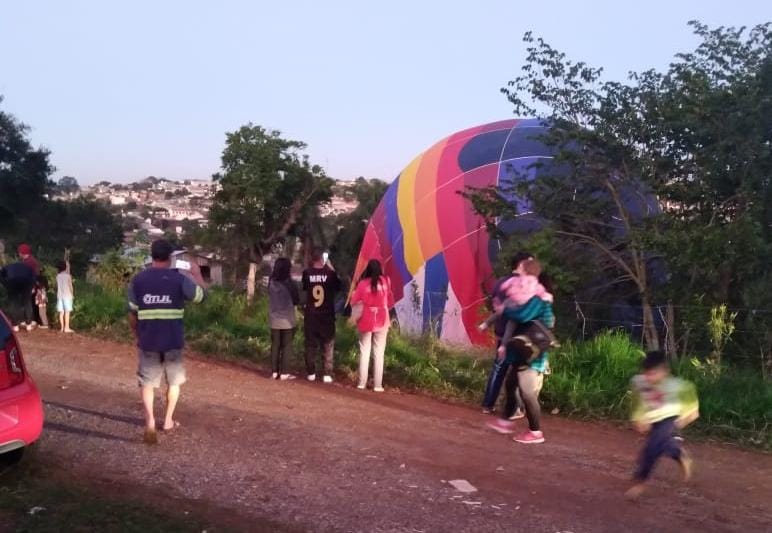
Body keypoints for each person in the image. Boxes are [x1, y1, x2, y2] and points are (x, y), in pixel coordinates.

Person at [127, 239, 207, 444]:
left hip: (148, 340)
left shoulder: (138, 280)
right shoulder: (178, 279)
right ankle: (168, 420)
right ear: (171, 257)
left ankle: (150, 423)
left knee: (147, 383)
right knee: (173, 382)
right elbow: (201, 297)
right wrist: (196, 273)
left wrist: (138, 335)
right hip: (173, 340)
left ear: (152, 256)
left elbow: (132, 315)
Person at [625, 350, 699, 500]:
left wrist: (681, 422)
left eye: (654, 373)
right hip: (654, 419)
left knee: (652, 448)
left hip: (671, 417)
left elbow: (694, 411)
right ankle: (679, 454)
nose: (649, 377)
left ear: (665, 371)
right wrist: (638, 418)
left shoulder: (680, 386)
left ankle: (640, 482)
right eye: (647, 373)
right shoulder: (639, 382)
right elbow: (638, 402)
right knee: (662, 444)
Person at [486, 287, 555, 444]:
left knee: (528, 394)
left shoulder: (538, 301)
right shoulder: (530, 300)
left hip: (533, 357)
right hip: (522, 353)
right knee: (511, 385)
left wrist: (505, 309)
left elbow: (522, 315)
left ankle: (535, 432)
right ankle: (506, 421)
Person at [479, 252, 534, 415]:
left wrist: (488, 323)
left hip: (502, 332)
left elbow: (496, 307)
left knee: (499, 369)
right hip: (518, 335)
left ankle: (488, 404)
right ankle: (515, 407)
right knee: (518, 371)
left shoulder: (500, 283)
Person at [349, 259, 394, 392]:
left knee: (364, 351)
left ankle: (362, 383)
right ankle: (378, 385)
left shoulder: (363, 284)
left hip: (366, 319)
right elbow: (389, 299)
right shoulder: (386, 281)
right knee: (379, 353)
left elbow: (354, 301)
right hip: (382, 319)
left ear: (367, 270)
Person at [301, 248, 341, 383]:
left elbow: (306, 288)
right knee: (328, 344)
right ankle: (327, 373)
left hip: (311, 315)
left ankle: (311, 372)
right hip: (327, 315)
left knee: (310, 344)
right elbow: (339, 287)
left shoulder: (307, 273)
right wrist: (331, 268)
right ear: (323, 259)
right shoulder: (330, 274)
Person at [268, 257, 300, 380]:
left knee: (275, 345)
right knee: (287, 346)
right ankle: (285, 373)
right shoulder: (290, 284)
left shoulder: (271, 281)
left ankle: (274, 372)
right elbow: (296, 300)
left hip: (274, 319)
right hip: (288, 320)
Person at [0, 259, 35, 332]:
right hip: (26, 282)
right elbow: (33, 277)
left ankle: (15, 325)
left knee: (13, 303)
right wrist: (31, 287)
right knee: (27, 302)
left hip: (12, 282)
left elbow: (1, 276)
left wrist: (5, 284)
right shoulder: (28, 267)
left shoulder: (7, 267)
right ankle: (28, 325)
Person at [56, 260, 75, 333]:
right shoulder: (68, 276)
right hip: (67, 296)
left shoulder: (58, 276)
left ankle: (62, 328)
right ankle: (67, 327)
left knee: (61, 312)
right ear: (65, 268)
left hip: (60, 296)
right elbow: (70, 286)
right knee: (67, 312)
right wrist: (72, 294)